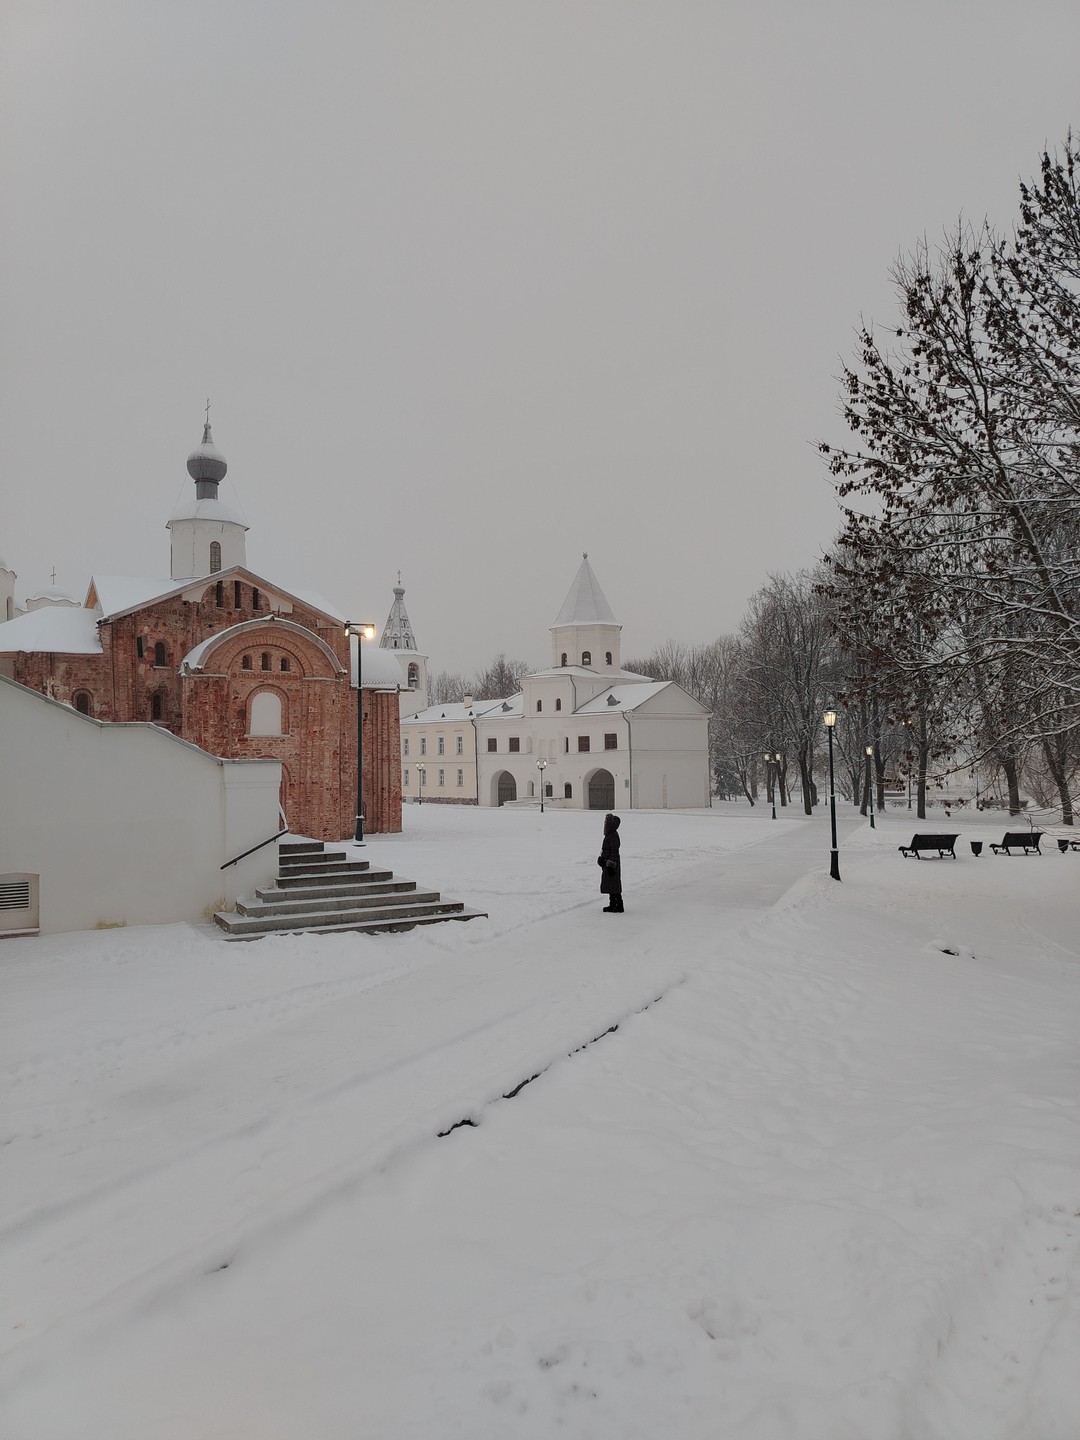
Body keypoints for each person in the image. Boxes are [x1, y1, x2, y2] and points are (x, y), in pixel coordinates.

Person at [597, 812, 623, 913]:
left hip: (612, 865)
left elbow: (614, 851)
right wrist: (602, 858)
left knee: (614, 885)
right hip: (608, 864)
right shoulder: (610, 834)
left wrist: (610, 864)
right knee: (611, 885)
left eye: (607, 822)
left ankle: (618, 905)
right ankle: (613, 904)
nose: (605, 823)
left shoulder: (613, 835)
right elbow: (606, 850)